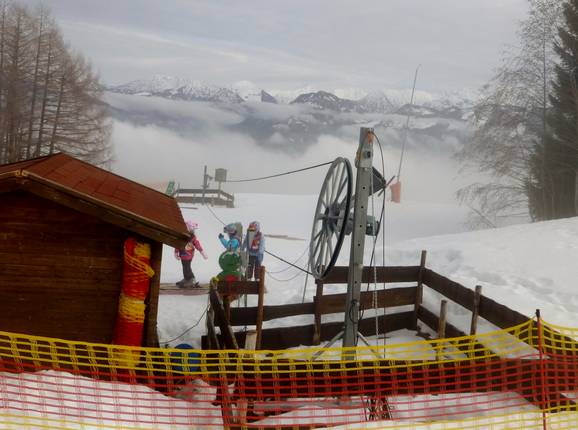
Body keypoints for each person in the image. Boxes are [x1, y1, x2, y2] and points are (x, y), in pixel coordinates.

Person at [175, 221, 207, 288]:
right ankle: (186, 279)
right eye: (191, 230)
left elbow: (197, 245)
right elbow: (178, 244)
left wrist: (202, 252)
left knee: (187, 268)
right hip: (183, 255)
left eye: (192, 230)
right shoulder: (182, 236)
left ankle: (191, 280)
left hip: (188, 256)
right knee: (185, 267)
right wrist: (176, 252)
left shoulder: (192, 238)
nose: (192, 231)